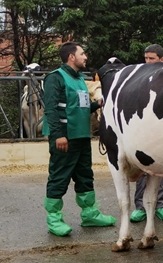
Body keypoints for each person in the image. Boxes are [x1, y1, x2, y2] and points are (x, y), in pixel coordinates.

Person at [42, 42, 116, 236]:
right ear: (71, 57)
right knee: (59, 177)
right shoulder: (55, 78)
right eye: (82, 54)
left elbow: (79, 106)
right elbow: (50, 109)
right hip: (65, 137)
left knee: (85, 176)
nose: (85, 57)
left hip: (82, 136)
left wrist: (97, 104)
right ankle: (54, 218)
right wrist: (58, 135)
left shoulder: (80, 79)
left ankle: (90, 214)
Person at [130, 44, 163, 222]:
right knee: (143, 167)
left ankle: (162, 205)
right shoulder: (139, 77)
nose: (147, 62)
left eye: (152, 58)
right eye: (146, 58)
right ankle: (141, 206)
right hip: (144, 129)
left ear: (162, 60)